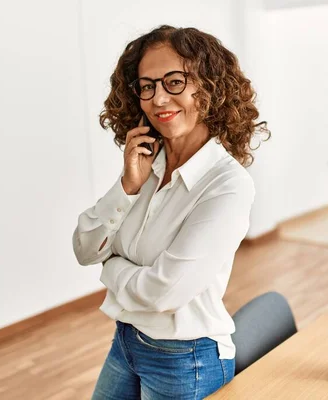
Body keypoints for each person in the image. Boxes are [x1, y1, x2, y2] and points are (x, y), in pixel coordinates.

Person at [72, 25, 269, 399]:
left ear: (208, 87)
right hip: (127, 342)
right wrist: (127, 187)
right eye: (147, 86)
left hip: (186, 358)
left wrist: (111, 266)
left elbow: (165, 293)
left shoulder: (227, 184)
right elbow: (84, 248)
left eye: (174, 81)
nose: (158, 98)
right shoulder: (145, 164)